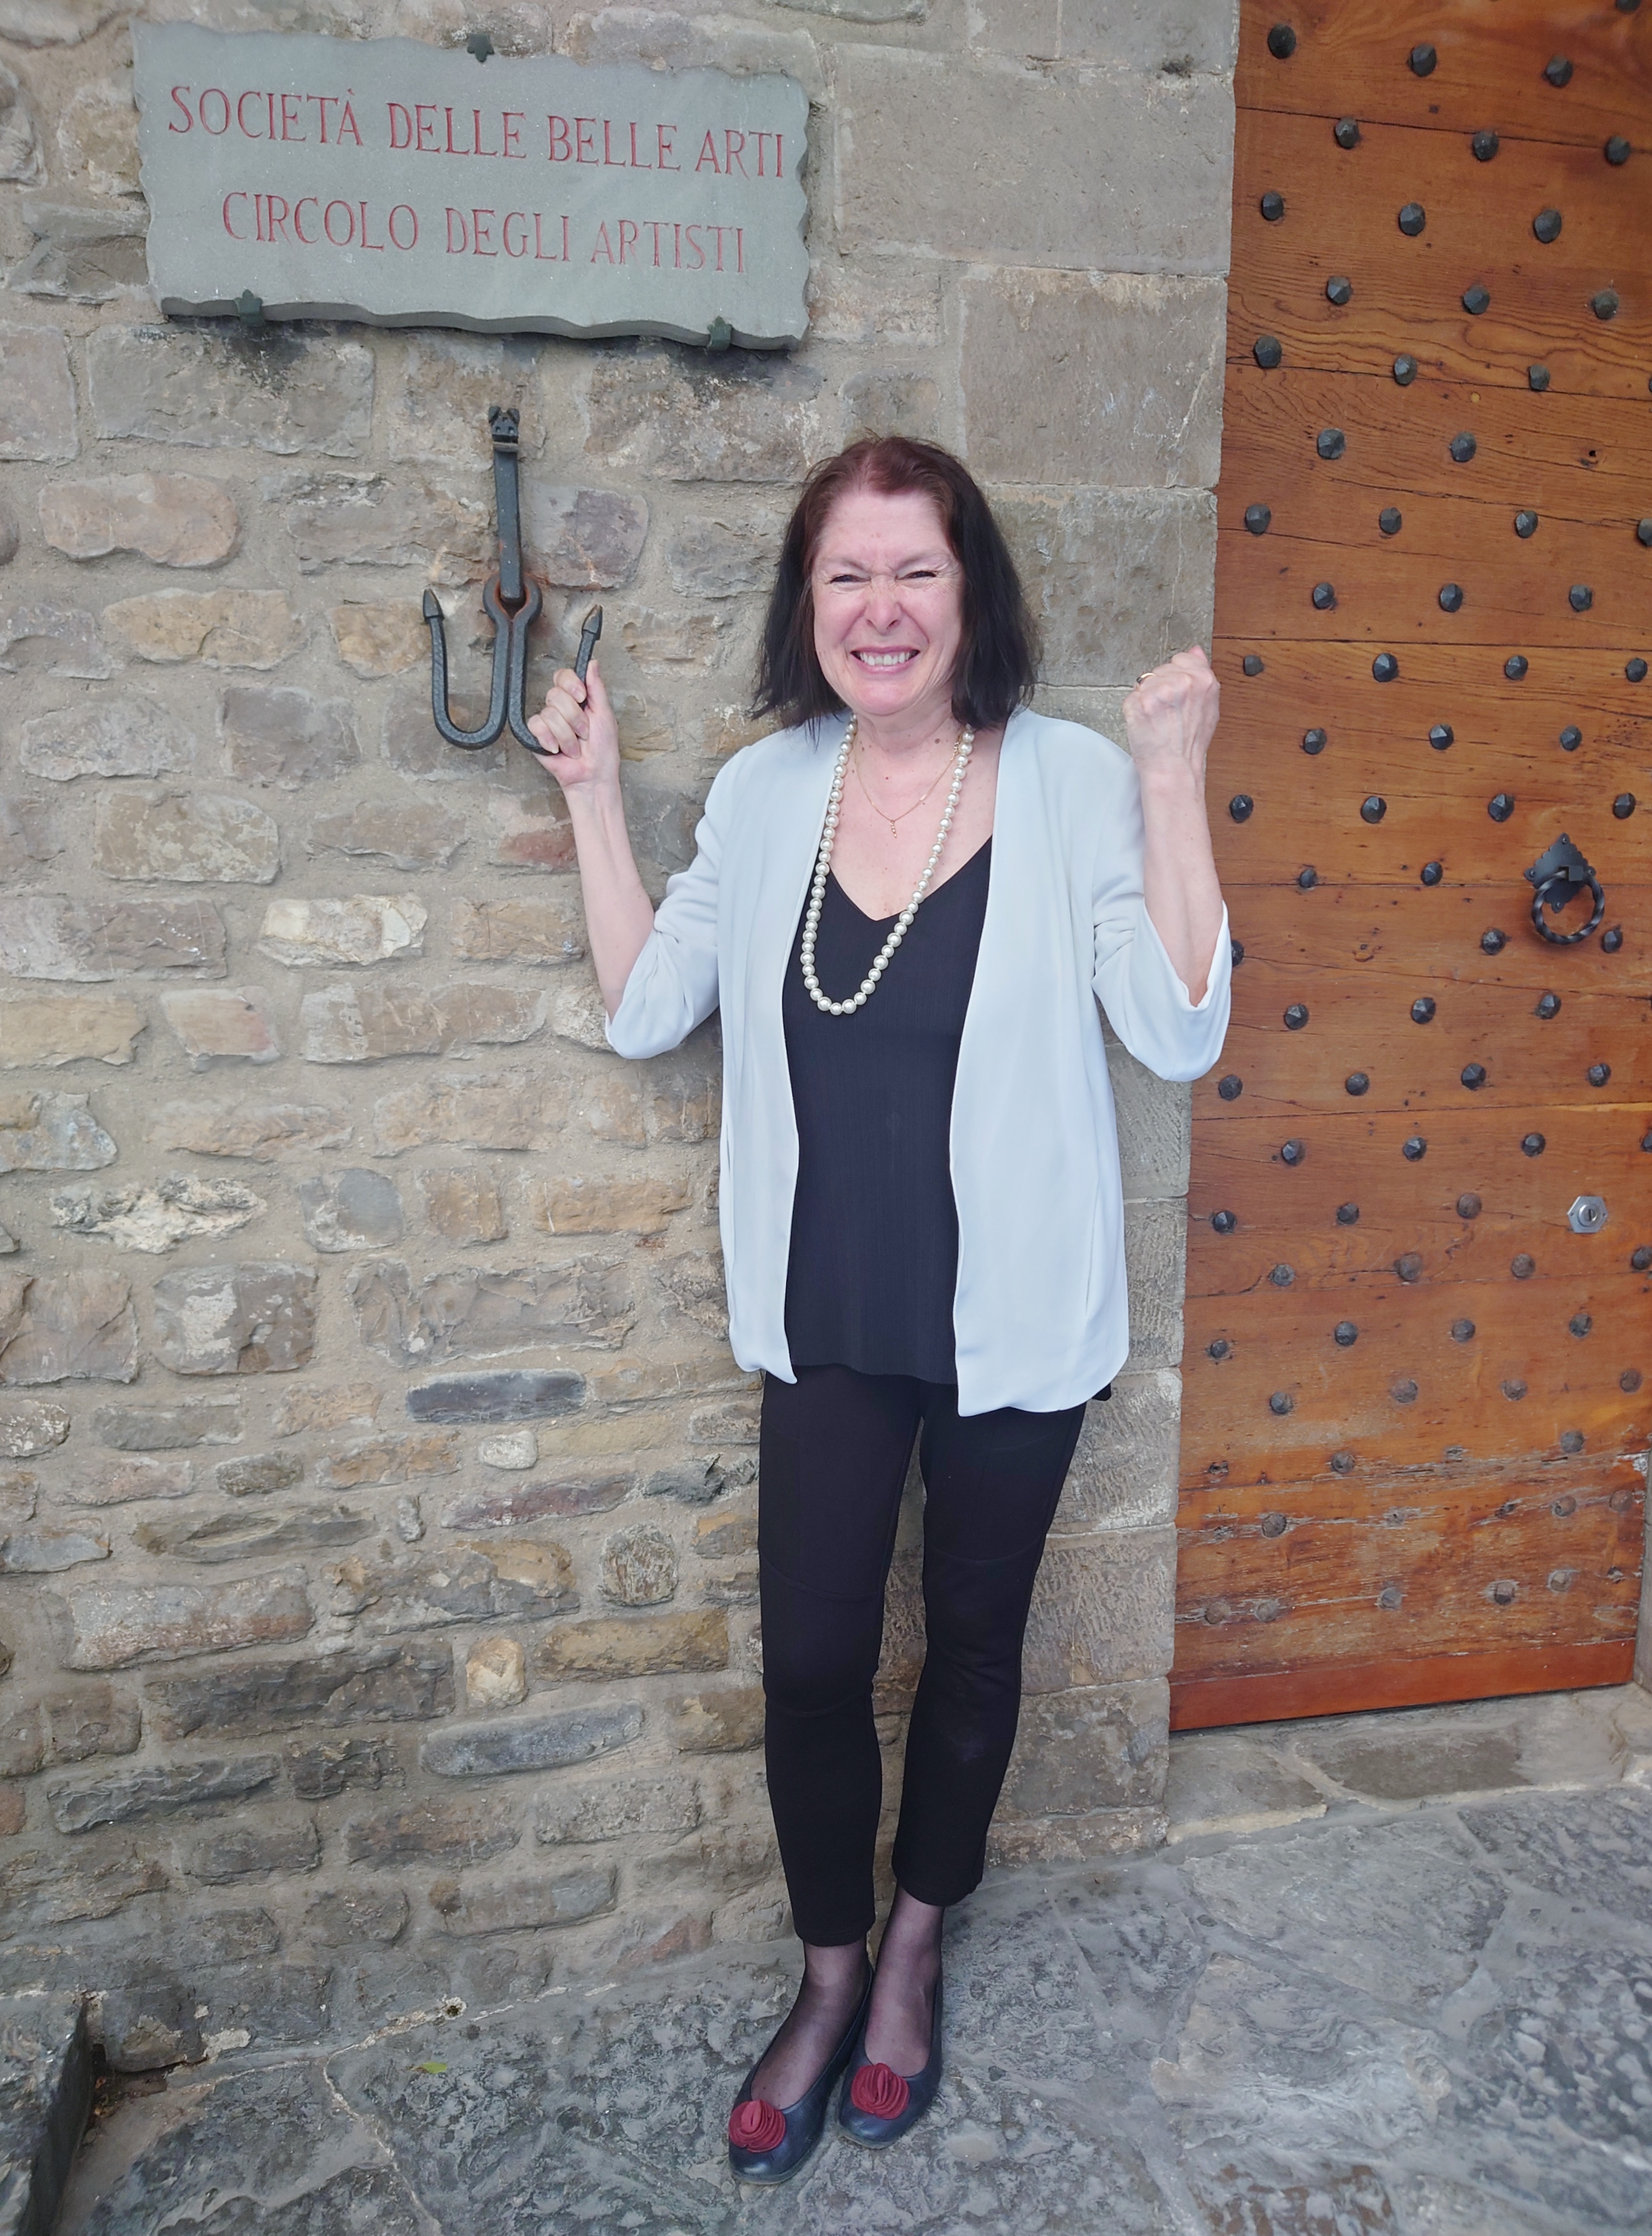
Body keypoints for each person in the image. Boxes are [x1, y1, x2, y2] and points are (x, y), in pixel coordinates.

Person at [526, 436, 1230, 2183]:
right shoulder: (768, 794)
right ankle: (829, 1969)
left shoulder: (1069, 779)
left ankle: (915, 1947)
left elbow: (1179, 1024)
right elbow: (646, 1003)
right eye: (848, 574)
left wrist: (1171, 780)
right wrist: (595, 798)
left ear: (971, 590)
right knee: (816, 1663)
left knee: (975, 1649)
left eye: (917, 570)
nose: (882, 608)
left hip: (1016, 1309)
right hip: (831, 1302)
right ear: (809, 602)